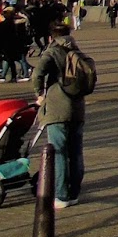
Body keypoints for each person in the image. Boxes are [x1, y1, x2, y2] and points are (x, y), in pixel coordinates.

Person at [33, 20, 92, 208]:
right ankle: (74, 192)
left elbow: (37, 74)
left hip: (57, 106)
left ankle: (61, 194)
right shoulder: (77, 52)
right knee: (76, 152)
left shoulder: (52, 52)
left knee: (58, 151)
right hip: (78, 107)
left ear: (51, 36)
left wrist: (39, 94)